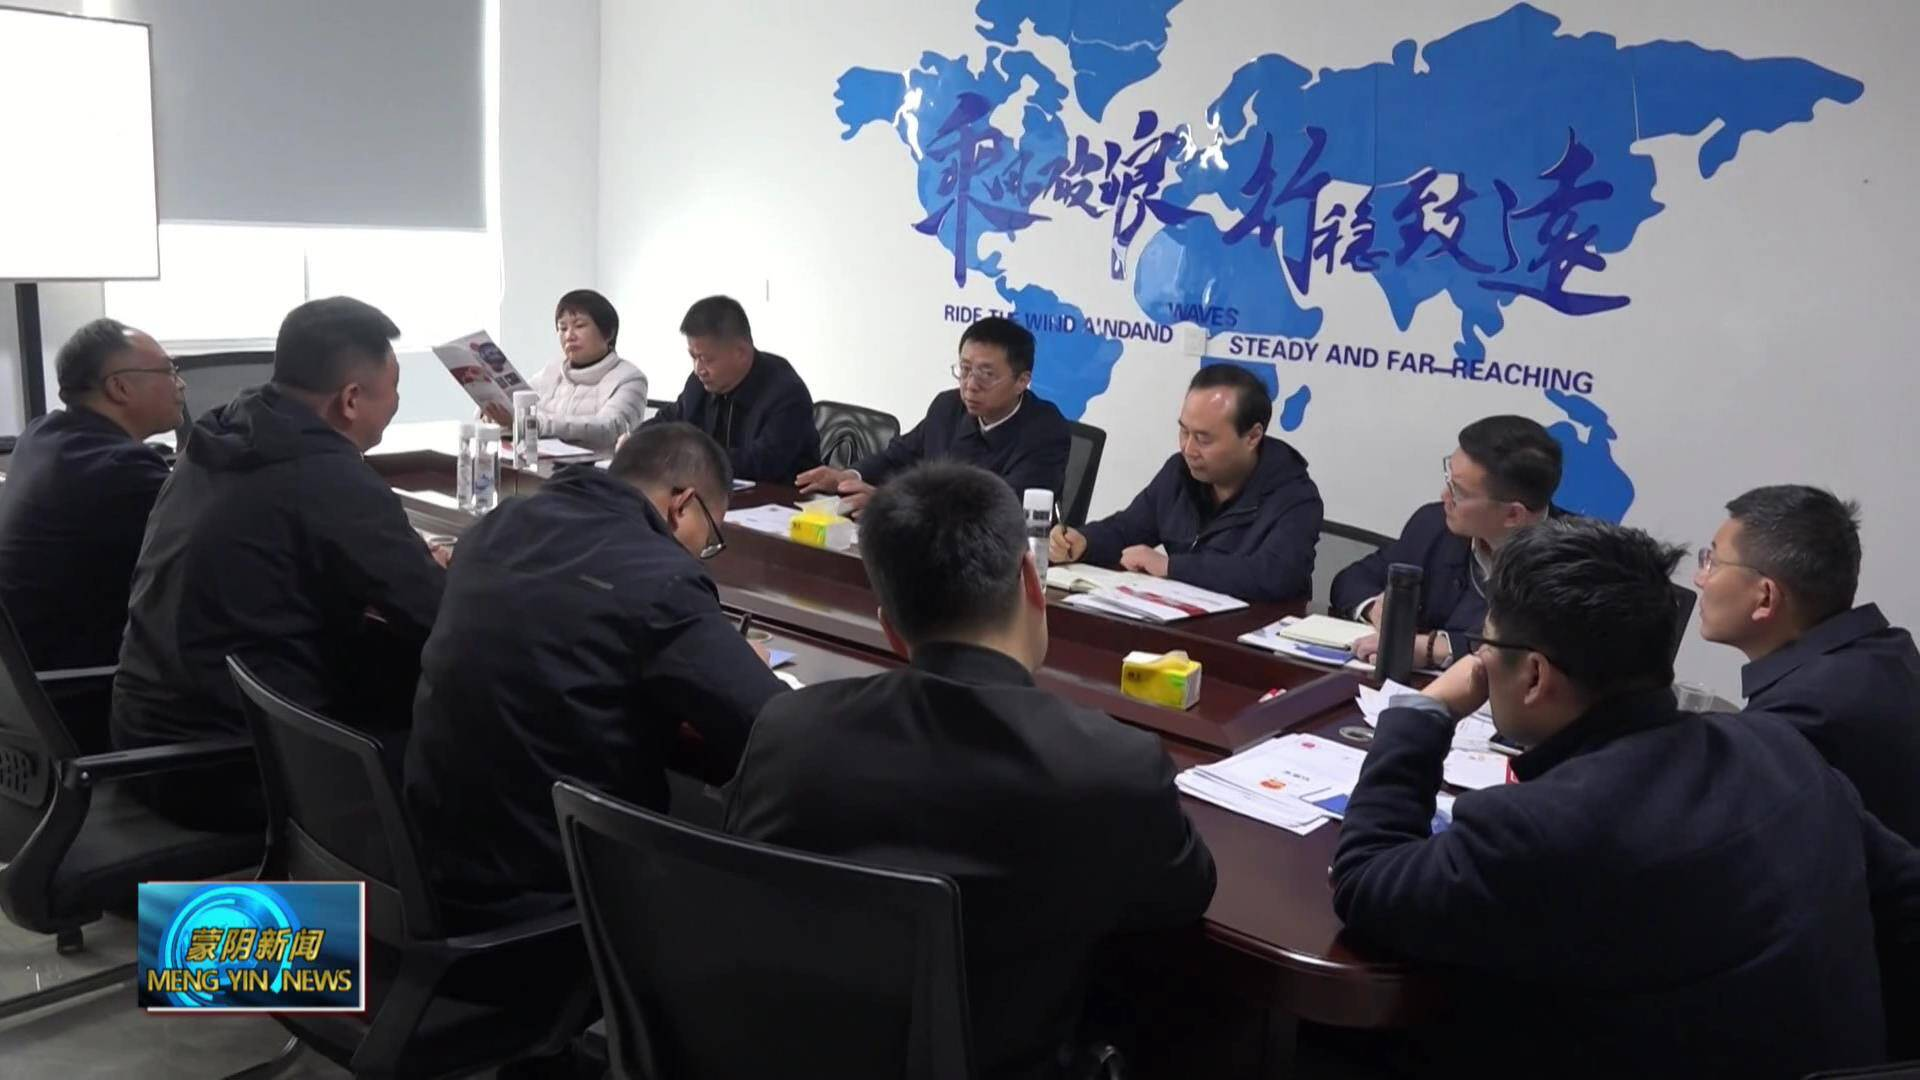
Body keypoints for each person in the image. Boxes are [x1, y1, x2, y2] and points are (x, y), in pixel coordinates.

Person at [1330, 518, 1920, 1078]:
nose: (1480, 660)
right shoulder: (1777, 747)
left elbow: (1365, 882)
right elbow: (1905, 895)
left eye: (1486, 644)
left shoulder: (1544, 825)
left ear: (1534, 676)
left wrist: (1423, 712)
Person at [726, 463, 1216, 1080]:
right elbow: (1184, 894)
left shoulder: (788, 730)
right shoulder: (1113, 766)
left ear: (889, 626)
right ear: (1032, 581)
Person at [407, 422, 787, 930]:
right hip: (551, 889)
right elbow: (770, 724)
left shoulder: (501, 522)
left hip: (430, 855)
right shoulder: (662, 576)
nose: (704, 556)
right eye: (711, 539)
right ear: (681, 505)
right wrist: (737, 661)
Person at [112, 297, 446, 831]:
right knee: (470, 745)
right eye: (395, 389)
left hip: (146, 739)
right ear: (351, 399)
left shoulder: (217, 438)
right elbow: (436, 616)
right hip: (236, 766)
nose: (397, 403)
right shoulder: (328, 476)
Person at [1697, 485, 1920, 845]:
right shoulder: (1888, 653)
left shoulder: (1802, 716)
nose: (1700, 579)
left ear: (1765, 598)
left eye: (1714, 562)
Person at [1048, 365, 1321, 602]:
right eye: (1184, 431)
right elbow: (1126, 528)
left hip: (1251, 635)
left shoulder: (1295, 497)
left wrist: (1171, 567)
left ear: (1252, 437)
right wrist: (1084, 541)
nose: (1188, 449)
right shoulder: (1180, 473)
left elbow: (1275, 575)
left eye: (1203, 438)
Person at [0, 319, 181, 674]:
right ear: (119, 387)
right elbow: (207, 539)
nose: (181, 383)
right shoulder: (122, 469)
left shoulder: (41, 434)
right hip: (79, 681)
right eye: (169, 371)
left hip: (25, 678)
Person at [1331, 415, 1562, 668]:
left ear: (1513, 515)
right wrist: (1375, 608)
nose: (1444, 496)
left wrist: (1439, 648)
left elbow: (1542, 649)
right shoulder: (1434, 524)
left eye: (1458, 492)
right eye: (1448, 479)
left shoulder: (1573, 560)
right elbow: (1351, 580)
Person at [795, 317, 1070, 516]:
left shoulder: (1046, 431)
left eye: (986, 374)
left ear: (1022, 381)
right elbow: (898, 457)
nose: (970, 385)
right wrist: (845, 476)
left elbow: (997, 509)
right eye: (965, 369)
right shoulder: (947, 407)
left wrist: (890, 504)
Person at [647, 294, 820, 481]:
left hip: (780, 495)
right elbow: (671, 418)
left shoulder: (786, 393)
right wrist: (636, 442)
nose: (698, 369)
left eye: (706, 359)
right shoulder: (698, 382)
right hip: (716, 492)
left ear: (741, 353)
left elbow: (764, 463)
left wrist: (689, 459)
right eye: (693, 357)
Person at [485, 288, 648, 451]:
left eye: (579, 326)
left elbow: (608, 428)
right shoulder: (552, 370)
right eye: (562, 328)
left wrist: (533, 424)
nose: (569, 336)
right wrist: (492, 413)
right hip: (543, 462)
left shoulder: (630, 378)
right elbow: (516, 401)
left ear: (608, 333)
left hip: (597, 466)